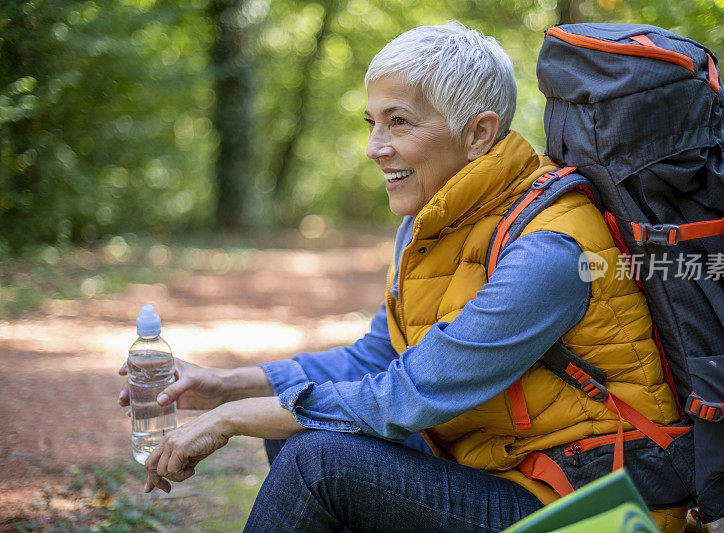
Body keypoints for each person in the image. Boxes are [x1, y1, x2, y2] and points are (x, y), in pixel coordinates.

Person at [119, 22, 687, 532]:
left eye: (399, 123)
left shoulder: (551, 249)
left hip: (589, 508)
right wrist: (223, 386)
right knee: (306, 428)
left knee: (318, 460)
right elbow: (378, 355)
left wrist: (234, 418)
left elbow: (408, 393)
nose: (374, 147)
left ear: (477, 135)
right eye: (372, 122)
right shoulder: (437, 220)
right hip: (504, 467)